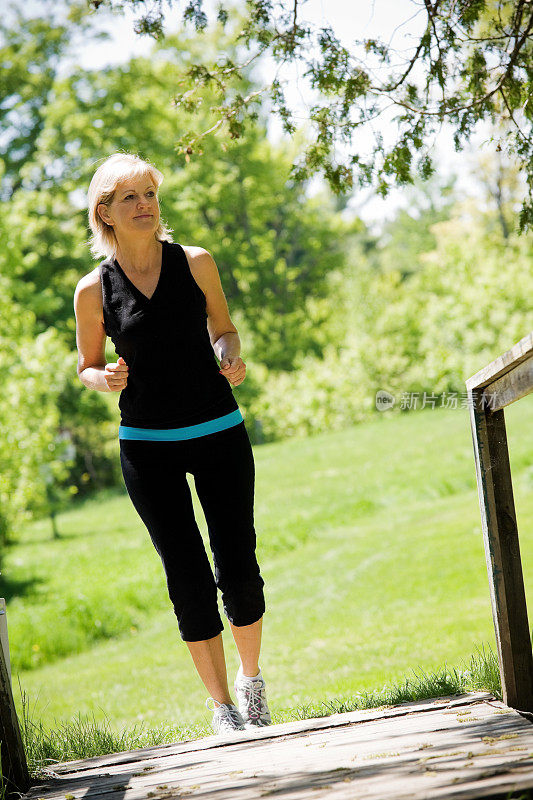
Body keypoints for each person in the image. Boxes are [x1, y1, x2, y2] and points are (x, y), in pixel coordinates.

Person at [74, 152, 271, 736]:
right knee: (185, 574)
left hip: (218, 429)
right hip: (147, 445)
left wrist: (229, 357)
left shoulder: (196, 262)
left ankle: (252, 681)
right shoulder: (92, 290)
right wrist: (102, 377)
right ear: (104, 212)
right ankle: (222, 710)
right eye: (129, 198)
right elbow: (85, 365)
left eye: (150, 195)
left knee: (237, 564)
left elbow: (223, 329)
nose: (144, 206)